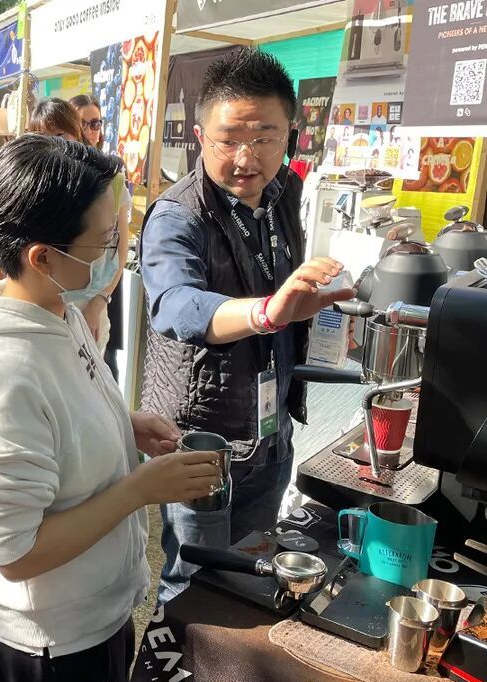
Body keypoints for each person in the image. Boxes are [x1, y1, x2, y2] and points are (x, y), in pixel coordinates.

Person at [0, 134, 222, 682]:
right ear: (43, 257)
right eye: (106, 240)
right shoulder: (2, 375)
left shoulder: (56, 309)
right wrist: (139, 490)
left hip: (94, 612)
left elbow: (63, 420)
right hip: (53, 640)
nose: (119, 252)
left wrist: (124, 423)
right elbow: (15, 552)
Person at [139, 49, 355, 605]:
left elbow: (286, 291)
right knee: (194, 581)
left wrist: (320, 318)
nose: (246, 158)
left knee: (254, 565)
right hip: (200, 436)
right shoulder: (176, 213)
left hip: (270, 425)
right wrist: (266, 312)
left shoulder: (285, 192)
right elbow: (175, 304)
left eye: (264, 138)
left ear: (291, 135)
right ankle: (180, 660)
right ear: (199, 137)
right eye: (229, 139)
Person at [26, 97, 131, 357]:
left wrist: (97, 303)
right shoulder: (29, 182)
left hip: (87, 303)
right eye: (42, 136)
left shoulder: (109, 181)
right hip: (40, 306)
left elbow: (118, 251)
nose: (52, 143)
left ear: (75, 134)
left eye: (59, 134)